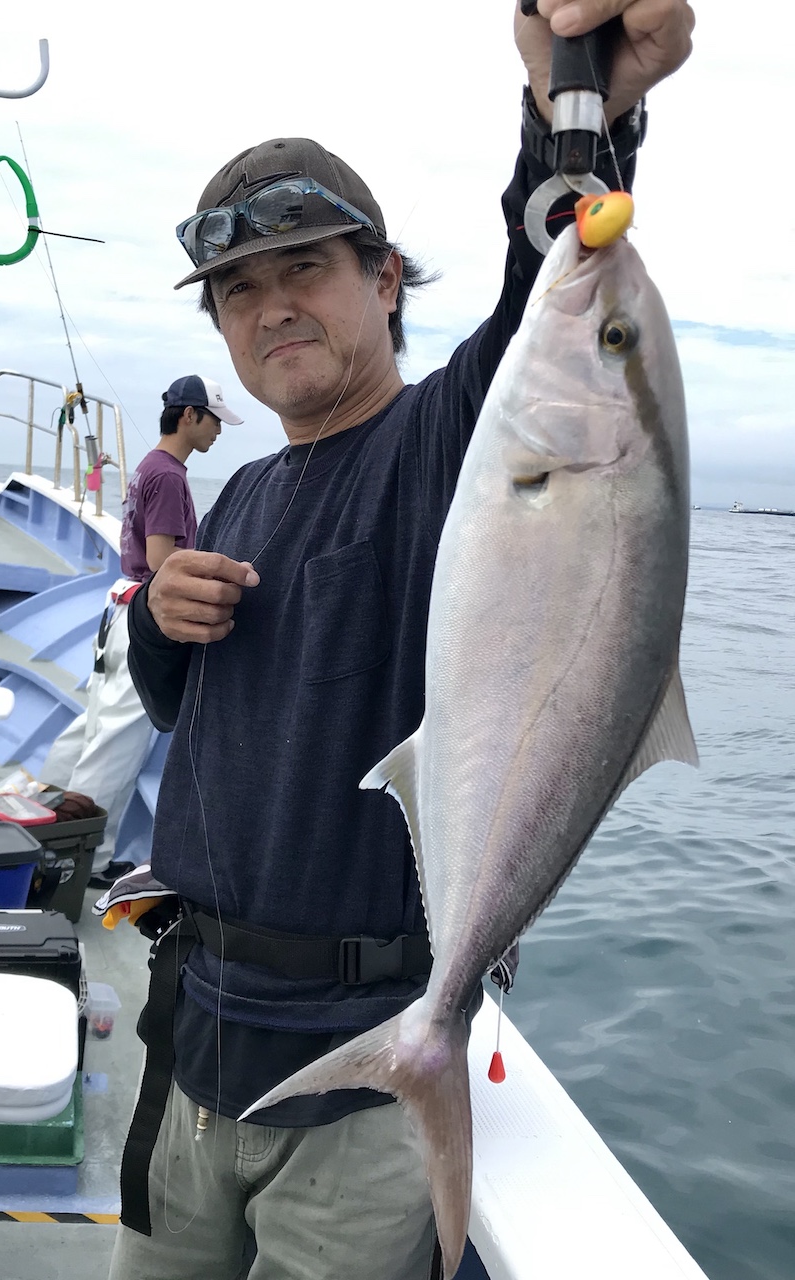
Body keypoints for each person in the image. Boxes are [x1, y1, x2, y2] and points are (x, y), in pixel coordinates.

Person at [111, 3, 694, 1277]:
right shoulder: (239, 493)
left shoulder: (450, 440)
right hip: (191, 1041)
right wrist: (159, 620)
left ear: (384, 280)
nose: (273, 309)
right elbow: (176, 714)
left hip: (361, 1084)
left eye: (305, 270)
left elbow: (553, 278)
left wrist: (581, 109)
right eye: (239, 291)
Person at [40, 376, 242, 889]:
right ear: (190, 415)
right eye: (215, 420)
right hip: (140, 617)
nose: (219, 432)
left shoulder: (150, 467)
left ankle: (44, 809)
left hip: (117, 609)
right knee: (117, 740)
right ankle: (86, 857)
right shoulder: (170, 475)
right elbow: (160, 560)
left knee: (92, 722)